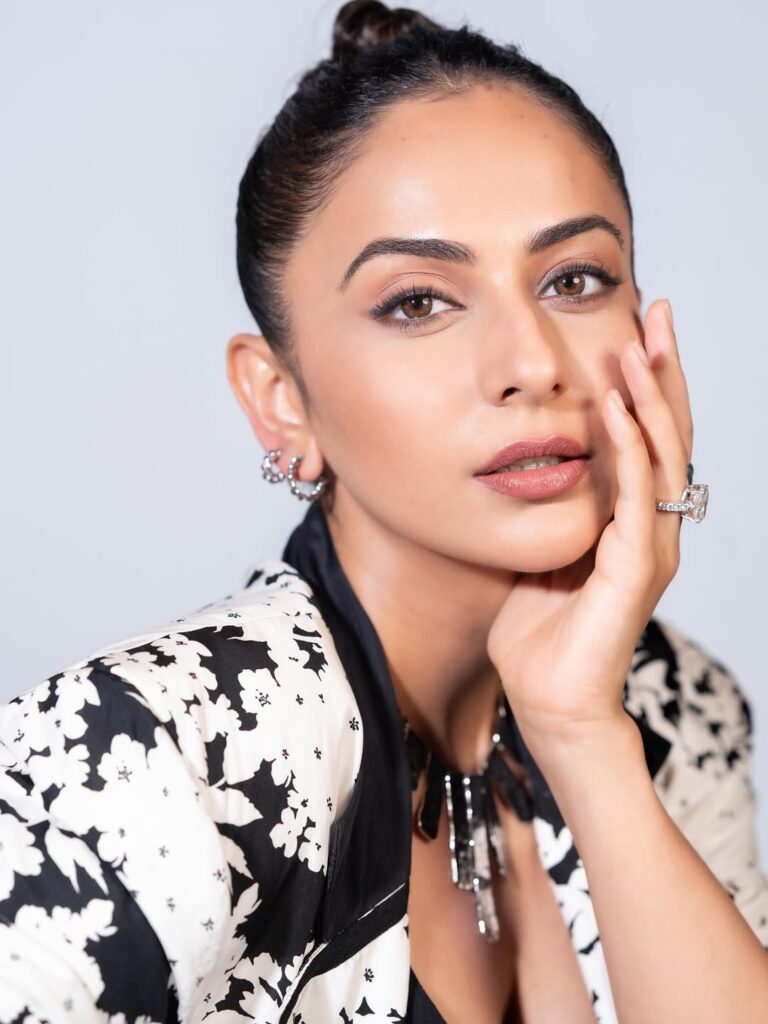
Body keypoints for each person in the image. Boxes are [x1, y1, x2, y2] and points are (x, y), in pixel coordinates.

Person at [1, 1, 767, 1021]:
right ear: (282, 398)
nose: (532, 364)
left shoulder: (678, 705)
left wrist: (582, 732)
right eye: (418, 302)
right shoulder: (138, 759)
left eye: (575, 279)